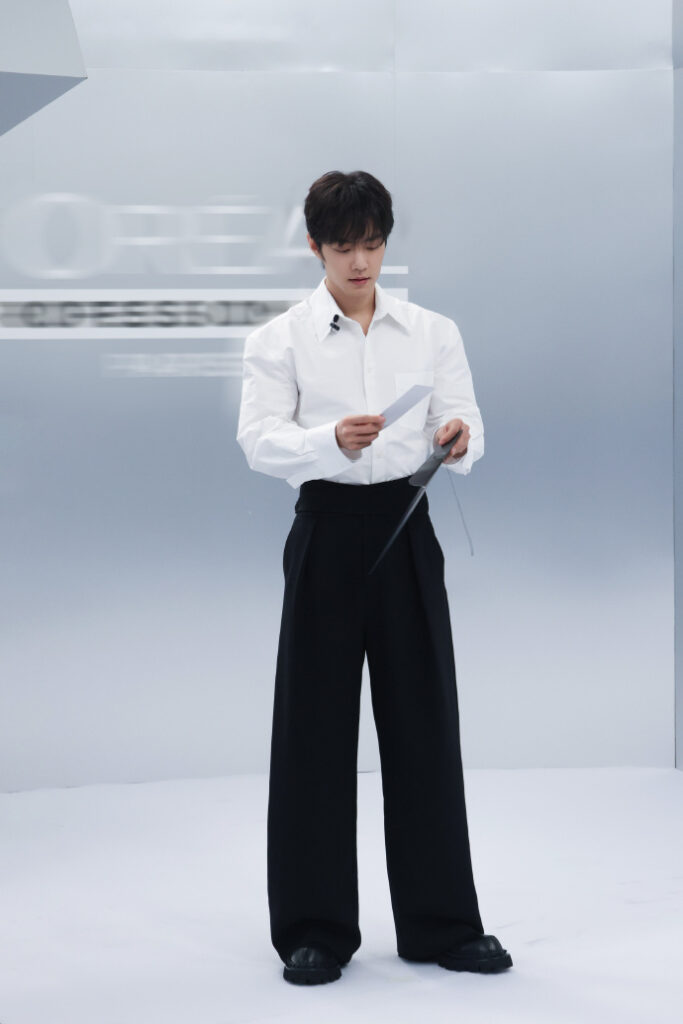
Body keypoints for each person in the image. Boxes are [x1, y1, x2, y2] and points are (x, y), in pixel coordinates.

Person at [236, 170, 513, 985]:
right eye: (343, 247)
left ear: (385, 243)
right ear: (313, 246)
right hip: (325, 529)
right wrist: (328, 442)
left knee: (424, 725)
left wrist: (458, 438)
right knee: (312, 732)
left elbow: (463, 418)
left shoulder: (431, 332)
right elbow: (257, 441)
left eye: (372, 244)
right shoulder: (278, 339)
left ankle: (442, 925)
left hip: (406, 525)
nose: (360, 262)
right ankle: (313, 929)